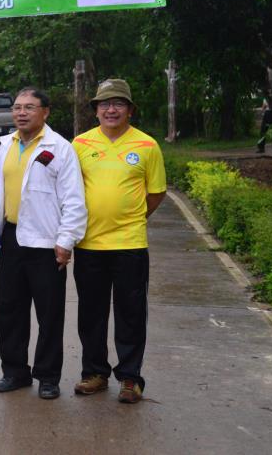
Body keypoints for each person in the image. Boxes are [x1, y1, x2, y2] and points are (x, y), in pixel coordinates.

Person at [0, 87, 87, 400]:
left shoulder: (60, 148)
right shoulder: (7, 145)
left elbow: (74, 199)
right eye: (17, 107)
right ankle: (14, 371)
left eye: (29, 107)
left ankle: (48, 376)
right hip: (11, 237)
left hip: (46, 242)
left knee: (49, 313)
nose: (21, 113)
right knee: (9, 309)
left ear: (45, 112)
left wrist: (66, 240)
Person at [71, 79, 166, 404]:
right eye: (105, 104)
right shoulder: (80, 144)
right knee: (91, 314)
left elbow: (156, 193)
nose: (111, 109)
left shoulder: (147, 145)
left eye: (118, 103)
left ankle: (130, 378)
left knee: (131, 313)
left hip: (130, 245)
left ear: (130, 110)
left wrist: (131, 218)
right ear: (96, 110)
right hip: (88, 245)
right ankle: (94, 373)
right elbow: (69, 190)